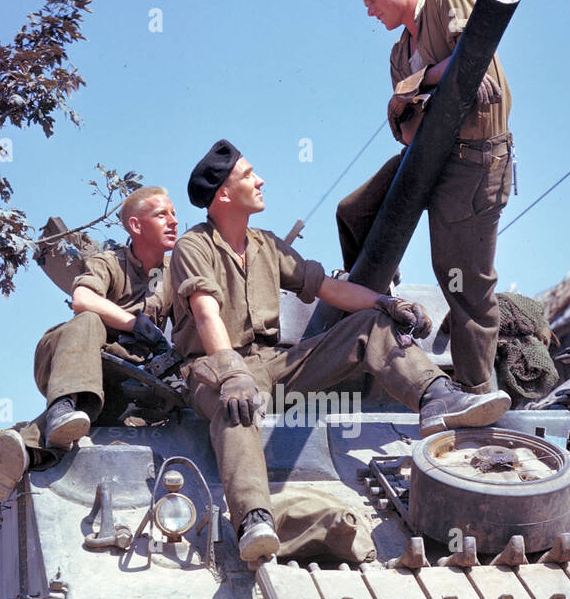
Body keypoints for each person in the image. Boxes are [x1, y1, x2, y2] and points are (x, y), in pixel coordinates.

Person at [170, 140, 510, 563]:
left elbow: (326, 287)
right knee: (236, 406)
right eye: (248, 175)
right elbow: (205, 312)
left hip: (274, 364)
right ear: (223, 193)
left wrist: (383, 304)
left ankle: (436, 398)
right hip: (213, 368)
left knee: (369, 325)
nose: (260, 181)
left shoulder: (266, 246)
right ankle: (254, 518)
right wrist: (230, 372)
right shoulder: (193, 247)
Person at [337, 0, 514, 394]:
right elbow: (404, 123)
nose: (371, 12)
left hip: (474, 161)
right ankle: (375, 300)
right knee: (352, 211)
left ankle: (476, 391)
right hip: (427, 158)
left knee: (464, 282)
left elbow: (469, 59)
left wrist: (418, 88)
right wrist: (426, 83)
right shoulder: (400, 54)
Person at [0, 185, 178, 512]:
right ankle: (62, 407)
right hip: (68, 356)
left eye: (174, 214)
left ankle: (22, 453)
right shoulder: (112, 263)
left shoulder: (172, 275)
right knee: (91, 320)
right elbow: (83, 300)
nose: (173, 221)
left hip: (116, 381)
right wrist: (136, 324)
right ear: (136, 226)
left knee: (96, 431)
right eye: (162, 214)